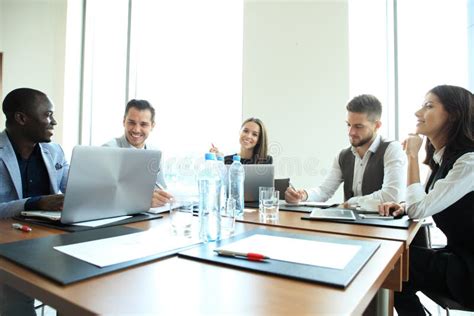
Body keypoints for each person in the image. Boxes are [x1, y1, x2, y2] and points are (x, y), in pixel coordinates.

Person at [378, 85, 474, 314]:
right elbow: (427, 201)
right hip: (459, 257)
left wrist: (411, 155)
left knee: (390, 266)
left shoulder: (468, 162)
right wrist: (403, 206)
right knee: (396, 263)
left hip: (469, 269)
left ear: (453, 115)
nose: (418, 113)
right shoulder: (444, 161)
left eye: (429, 106)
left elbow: (419, 208)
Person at [0, 88, 69, 315]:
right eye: (48, 115)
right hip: (8, 244)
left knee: (75, 289)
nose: (54, 122)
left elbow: (75, 186)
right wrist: (34, 203)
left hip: (51, 238)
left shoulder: (54, 151)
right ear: (21, 118)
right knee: (16, 298)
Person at [285, 94, 406, 206]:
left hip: (384, 227)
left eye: (358, 126)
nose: (351, 132)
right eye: (348, 124)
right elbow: (324, 190)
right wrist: (303, 195)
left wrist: (350, 203)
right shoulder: (343, 156)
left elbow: (391, 195)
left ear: (377, 125)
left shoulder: (392, 149)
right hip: (351, 226)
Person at [103, 99, 172, 207]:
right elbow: (104, 195)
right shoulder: (108, 150)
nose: (136, 129)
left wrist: (164, 198)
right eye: (131, 122)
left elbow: (161, 188)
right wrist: (142, 200)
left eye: (143, 124)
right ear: (123, 121)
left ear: (152, 126)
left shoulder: (154, 153)